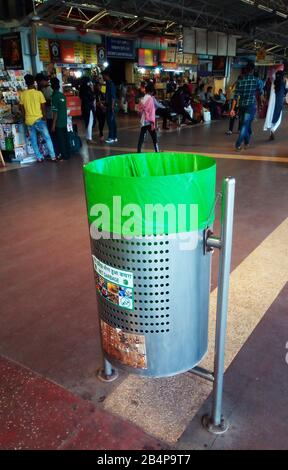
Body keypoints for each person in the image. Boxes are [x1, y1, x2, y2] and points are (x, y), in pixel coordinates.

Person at [19, 74, 56, 162]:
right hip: (39, 119)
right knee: (47, 138)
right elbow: (43, 106)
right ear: (34, 82)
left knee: (33, 140)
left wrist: (24, 118)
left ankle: (39, 157)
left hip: (29, 121)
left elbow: (22, 108)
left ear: (26, 83)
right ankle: (53, 156)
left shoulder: (23, 94)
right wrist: (44, 116)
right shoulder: (39, 93)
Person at [230, 62, 264, 151]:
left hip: (241, 105)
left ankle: (247, 142)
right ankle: (238, 144)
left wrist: (232, 109)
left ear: (245, 70)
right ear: (253, 70)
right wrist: (260, 105)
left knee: (245, 124)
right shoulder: (256, 80)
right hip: (250, 106)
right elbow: (260, 93)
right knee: (245, 125)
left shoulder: (240, 81)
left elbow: (235, 97)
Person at [36, 72, 60, 158]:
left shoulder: (49, 89)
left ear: (43, 81)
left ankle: (56, 153)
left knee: (52, 136)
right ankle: (54, 152)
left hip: (51, 116)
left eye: (38, 82)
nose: (38, 84)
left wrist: (43, 102)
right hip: (48, 115)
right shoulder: (42, 89)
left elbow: (52, 102)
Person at [264, 70, 288, 140]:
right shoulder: (284, 82)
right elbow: (286, 91)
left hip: (272, 103)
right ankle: (273, 129)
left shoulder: (273, 82)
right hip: (279, 102)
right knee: (278, 119)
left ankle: (271, 131)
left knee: (271, 116)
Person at [50, 77, 70, 160]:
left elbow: (55, 112)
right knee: (65, 138)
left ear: (52, 86)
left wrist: (53, 125)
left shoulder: (54, 97)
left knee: (60, 140)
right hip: (64, 120)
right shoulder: (62, 95)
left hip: (58, 122)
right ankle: (67, 154)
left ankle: (63, 156)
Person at [137, 82, 159, 153]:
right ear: (151, 91)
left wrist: (142, 116)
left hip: (144, 121)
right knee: (154, 137)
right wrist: (152, 121)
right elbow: (152, 111)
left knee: (141, 136)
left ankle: (138, 151)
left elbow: (139, 110)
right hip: (149, 121)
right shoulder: (151, 99)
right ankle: (157, 151)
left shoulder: (142, 99)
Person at [102, 68, 118, 144]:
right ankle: (114, 137)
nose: (102, 77)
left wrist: (111, 107)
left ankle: (111, 137)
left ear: (106, 75)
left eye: (103, 76)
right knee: (113, 122)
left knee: (110, 121)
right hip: (110, 105)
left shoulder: (110, 84)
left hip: (111, 106)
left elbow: (113, 97)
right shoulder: (108, 83)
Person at [79, 76, 95, 144]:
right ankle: (89, 138)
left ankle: (87, 137)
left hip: (84, 107)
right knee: (90, 123)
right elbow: (92, 97)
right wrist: (92, 89)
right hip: (89, 107)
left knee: (87, 122)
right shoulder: (88, 88)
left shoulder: (81, 88)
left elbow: (80, 97)